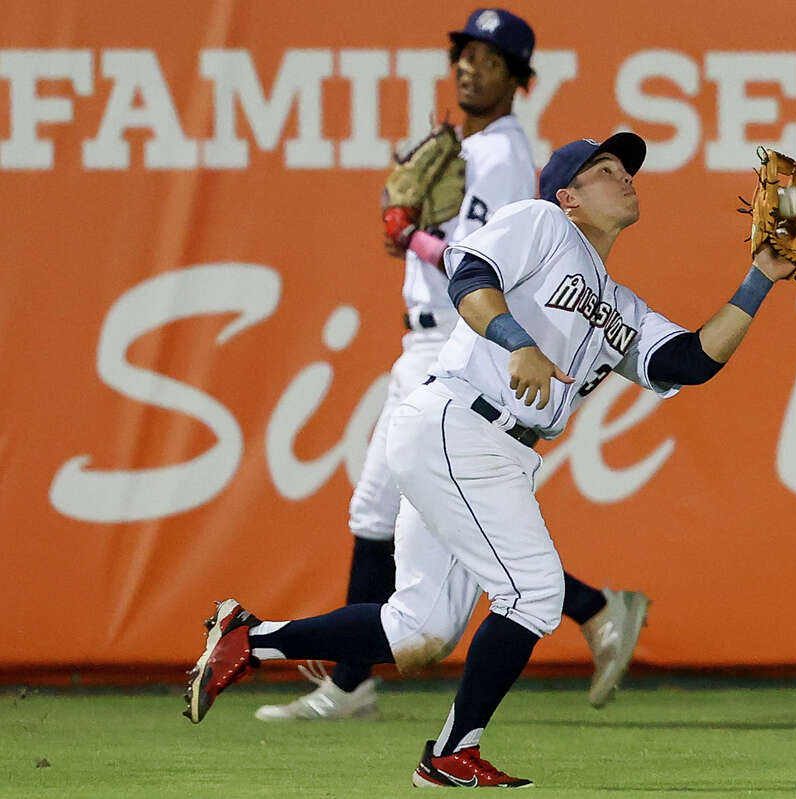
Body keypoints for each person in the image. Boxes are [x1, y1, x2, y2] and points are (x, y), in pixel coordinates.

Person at [183, 130, 796, 788]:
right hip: (461, 420)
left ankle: (249, 638)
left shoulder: (620, 305)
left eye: (628, 170)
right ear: (568, 195)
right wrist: (516, 340)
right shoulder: (540, 222)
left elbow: (691, 360)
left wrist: (761, 276)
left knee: (418, 630)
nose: (625, 177)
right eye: (606, 169)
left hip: (484, 447)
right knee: (532, 593)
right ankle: (451, 752)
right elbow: (470, 275)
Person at [253, 8, 648, 723]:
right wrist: (421, 237)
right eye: (465, 54)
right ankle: (586, 607)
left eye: (490, 60)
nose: (470, 66)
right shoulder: (479, 147)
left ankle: (349, 683)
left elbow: (476, 262)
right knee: (420, 520)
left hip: (453, 345)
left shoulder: (499, 153)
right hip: (430, 342)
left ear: (518, 78)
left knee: (402, 512)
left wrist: (415, 238)